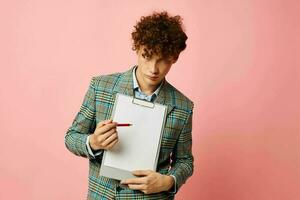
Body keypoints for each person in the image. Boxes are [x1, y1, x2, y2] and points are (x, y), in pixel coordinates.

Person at [65, 11, 194, 200]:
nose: (153, 68)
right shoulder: (101, 87)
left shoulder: (183, 106)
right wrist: (93, 142)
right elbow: (71, 137)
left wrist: (168, 181)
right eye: (147, 56)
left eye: (163, 60)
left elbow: (185, 161)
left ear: (174, 58)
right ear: (137, 48)